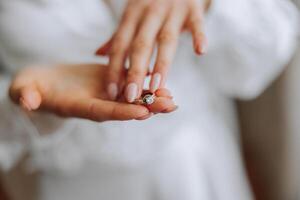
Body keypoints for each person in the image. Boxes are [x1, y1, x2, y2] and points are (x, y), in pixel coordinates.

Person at [0, 0, 298, 200]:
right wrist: (19, 106)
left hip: (196, 171)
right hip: (79, 186)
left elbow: (274, 40)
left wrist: (208, 4)